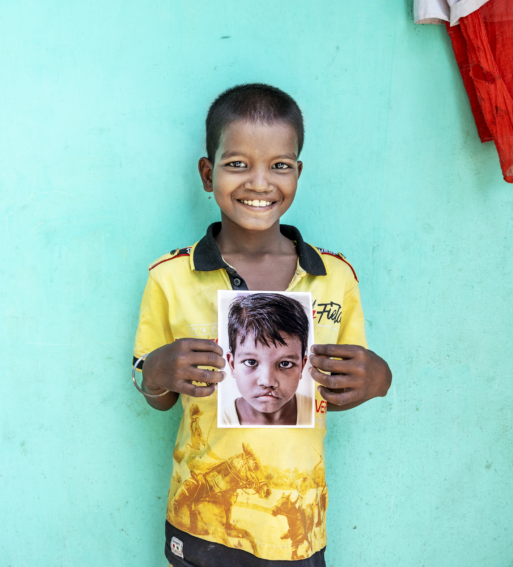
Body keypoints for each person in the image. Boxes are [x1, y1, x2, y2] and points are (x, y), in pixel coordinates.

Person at [132, 84, 392, 566]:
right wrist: (154, 373)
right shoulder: (169, 277)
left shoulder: (335, 278)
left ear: (297, 172)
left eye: (279, 165)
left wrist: (378, 380)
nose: (259, 182)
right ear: (207, 174)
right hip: (199, 523)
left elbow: (336, 390)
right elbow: (159, 394)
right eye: (237, 164)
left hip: (297, 529)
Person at [220, 293, 314, 427]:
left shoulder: (315, 413)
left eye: (285, 364)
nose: (268, 382)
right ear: (232, 364)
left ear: (302, 366)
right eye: (251, 362)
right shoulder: (218, 420)